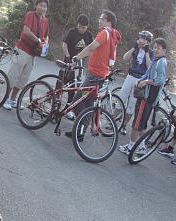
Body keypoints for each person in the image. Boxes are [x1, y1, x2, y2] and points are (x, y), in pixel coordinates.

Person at [67, 9, 121, 138]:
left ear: (108, 22)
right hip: (99, 74)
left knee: (78, 101)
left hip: (94, 76)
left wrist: (76, 58)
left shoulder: (105, 33)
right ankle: (80, 132)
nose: (99, 20)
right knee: (87, 103)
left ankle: (80, 129)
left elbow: (91, 47)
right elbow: (95, 51)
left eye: (102, 18)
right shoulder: (111, 34)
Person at [118, 38, 167, 154]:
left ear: (164, 51)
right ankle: (142, 146)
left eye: (158, 48)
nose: (155, 50)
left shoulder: (161, 62)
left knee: (137, 123)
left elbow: (160, 80)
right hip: (146, 95)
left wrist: (146, 82)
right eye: (154, 47)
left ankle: (130, 147)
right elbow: (147, 73)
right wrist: (141, 79)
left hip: (148, 96)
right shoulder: (156, 60)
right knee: (142, 124)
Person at [2, 0, 50, 110]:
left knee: (23, 78)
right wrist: (38, 40)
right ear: (36, 5)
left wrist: (45, 42)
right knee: (14, 75)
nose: (42, 8)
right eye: (41, 5)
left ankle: (12, 99)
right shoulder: (30, 15)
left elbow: (46, 35)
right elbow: (26, 31)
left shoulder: (45, 21)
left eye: (45, 6)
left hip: (33, 54)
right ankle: (4, 99)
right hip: (23, 49)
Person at [118, 30, 154, 132]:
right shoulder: (136, 49)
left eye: (144, 39)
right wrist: (134, 47)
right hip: (130, 76)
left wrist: (146, 52)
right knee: (121, 98)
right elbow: (125, 58)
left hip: (140, 79)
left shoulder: (150, 53)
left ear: (148, 41)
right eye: (141, 38)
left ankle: (124, 124)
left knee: (132, 104)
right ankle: (110, 122)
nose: (142, 41)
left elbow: (149, 66)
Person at [61, 14, 94, 112]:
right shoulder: (72, 32)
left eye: (83, 27)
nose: (81, 29)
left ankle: (69, 108)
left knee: (74, 86)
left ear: (87, 26)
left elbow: (90, 49)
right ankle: (55, 103)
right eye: (79, 26)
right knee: (62, 84)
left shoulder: (89, 35)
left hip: (79, 65)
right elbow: (64, 44)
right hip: (69, 61)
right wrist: (68, 57)